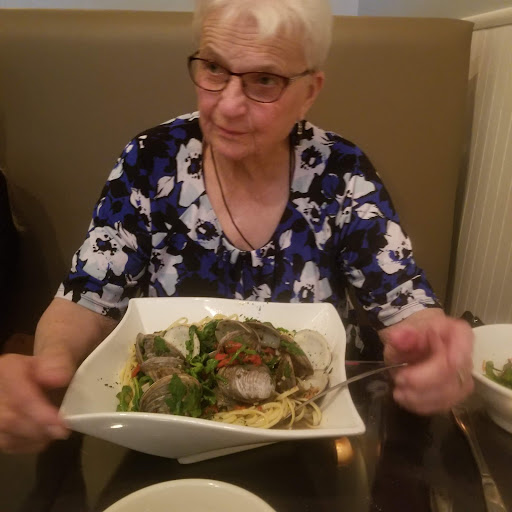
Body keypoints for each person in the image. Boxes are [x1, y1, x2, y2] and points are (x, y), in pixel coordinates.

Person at [0, 0, 473, 454]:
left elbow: (405, 303)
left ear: (310, 91)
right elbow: (85, 298)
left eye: (264, 79)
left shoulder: (342, 172)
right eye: (214, 68)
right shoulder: (150, 161)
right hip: (165, 437)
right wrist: (50, 368)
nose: (227, 106)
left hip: (312, 435)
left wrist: (432, 348)